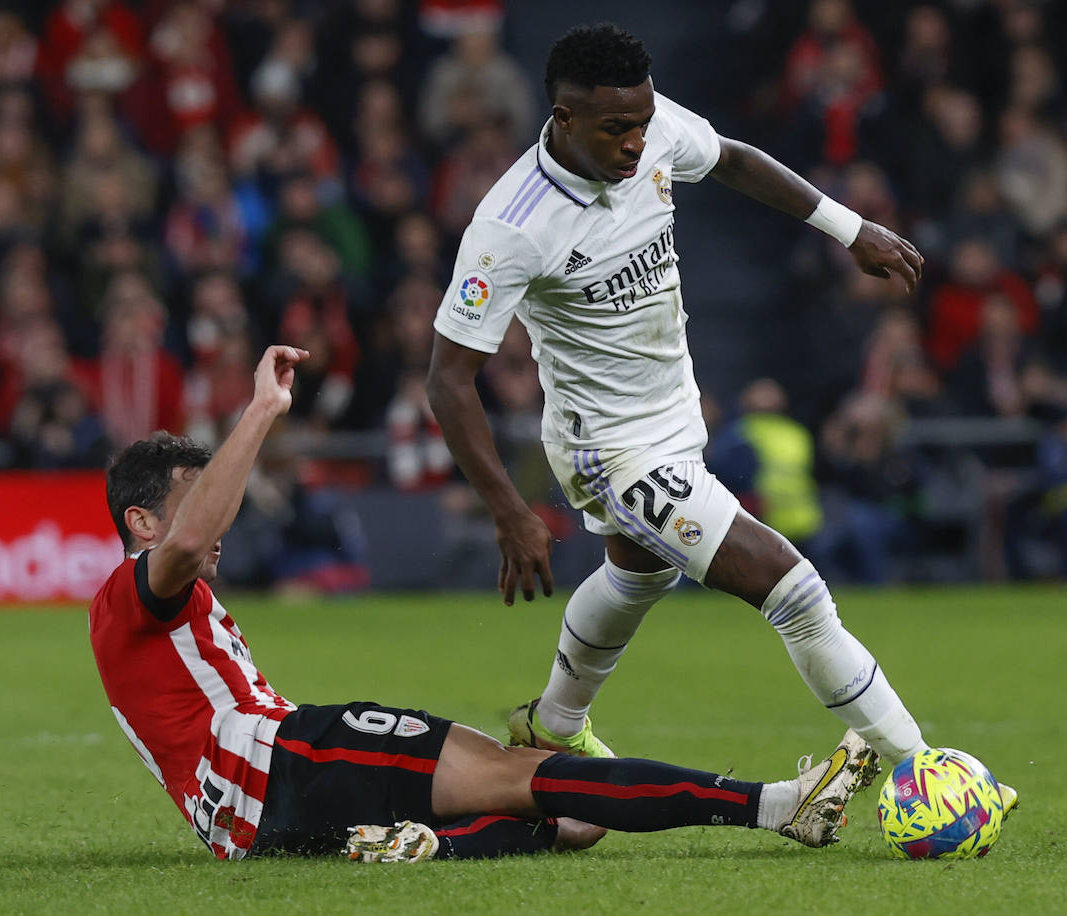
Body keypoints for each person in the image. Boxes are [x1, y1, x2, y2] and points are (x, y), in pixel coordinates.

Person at [425, 23, 1016, 822]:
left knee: (641, 573)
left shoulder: (651, 122)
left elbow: (732, 157)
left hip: (672, 416)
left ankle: (555, 722)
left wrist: (852, 230)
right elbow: (448, 378)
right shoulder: (510, 227)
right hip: (610, 449)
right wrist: (507, 509)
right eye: (615, 129)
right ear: (562, 119)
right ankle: (926, 771)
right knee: (795, 591)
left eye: (642, 122)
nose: (638, 141)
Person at [88, 344, 887, 863]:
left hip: (251, 817)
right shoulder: (136, 587)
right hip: (281, 758)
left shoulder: (145, 611)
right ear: (141, 522)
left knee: (571, 818)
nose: (211, 524)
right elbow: (187, 546)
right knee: (534, 775)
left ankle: (425, 845)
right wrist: (261, 411)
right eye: (191, 502)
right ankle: (782, 805)